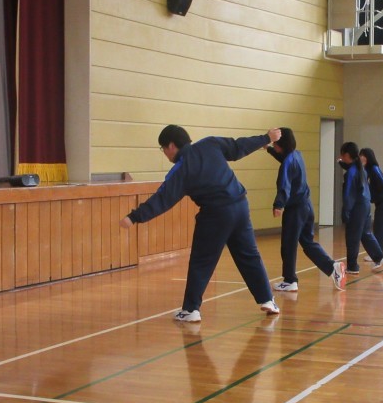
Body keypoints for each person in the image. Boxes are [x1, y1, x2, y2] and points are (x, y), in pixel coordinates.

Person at [119, 125, 281, 323]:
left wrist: (134, 217)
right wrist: (266, 138)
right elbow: (239, 146)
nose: (165, 154)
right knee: (249, 255)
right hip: (240, 206)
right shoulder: (210, 144)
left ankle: (191, 310)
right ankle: (267, 300)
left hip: (215, 215)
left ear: (171, 146)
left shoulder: (180, 169)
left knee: (201, 262)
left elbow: (163, 199)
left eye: (163, 149)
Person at [265, 127, 346, 292]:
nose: (274, 145)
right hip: (307, 206)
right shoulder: (297, 155)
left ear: (280, 144)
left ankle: (290, 281)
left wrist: (278, 205)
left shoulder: (287, 162)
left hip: (295, 210)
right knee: (308, 243)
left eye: (274, 143)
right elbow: (284, 159)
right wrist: (269, 149)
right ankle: (332, 267)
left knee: (288, 244)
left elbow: (284, 185)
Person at [338, 141, 383, 274]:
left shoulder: (351, 172)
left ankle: (352, 266)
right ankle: (379, 256)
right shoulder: (360, 169)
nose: (341, 157)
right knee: (366, 234)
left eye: (342, 155)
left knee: (352, 236)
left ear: (347, 155)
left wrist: (345, 211)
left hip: (357, 207)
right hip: (365, 205)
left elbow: (348, 194)